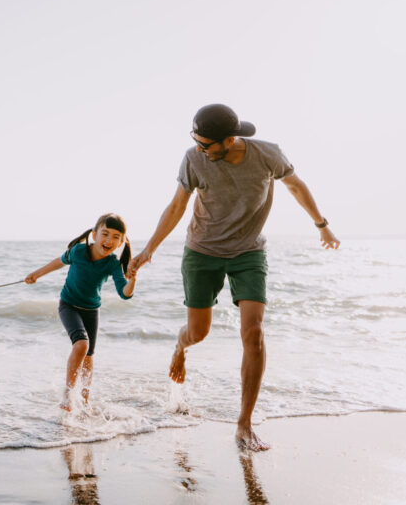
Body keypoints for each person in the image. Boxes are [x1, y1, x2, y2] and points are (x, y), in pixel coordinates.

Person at [129, 104, 340, 451]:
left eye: (207, 144)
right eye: (196, 141)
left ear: (230, 139)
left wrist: (322, 226)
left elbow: (297, 187)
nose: (200, 149)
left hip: (249, 252)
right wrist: (149, 249)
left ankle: (244, 423)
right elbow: (177, 206)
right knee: (197, 333)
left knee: (253, 333)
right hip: (202, 251)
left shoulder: (267, 154)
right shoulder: (193, 158)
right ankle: (180, 349)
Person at [25, 213, 136, 411]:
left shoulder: (112, 264)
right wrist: (37, 274)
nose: (110, 240)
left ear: (121, 242)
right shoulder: (78, 251)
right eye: (106, 234)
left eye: (116, 237)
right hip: (69, 305)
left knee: (89, 356)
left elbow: (124, 294)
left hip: (92, 311)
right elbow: (59, 262)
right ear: (95, 235)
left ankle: (84, 400)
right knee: (81, 344)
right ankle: (68, 395)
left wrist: (133, 279)